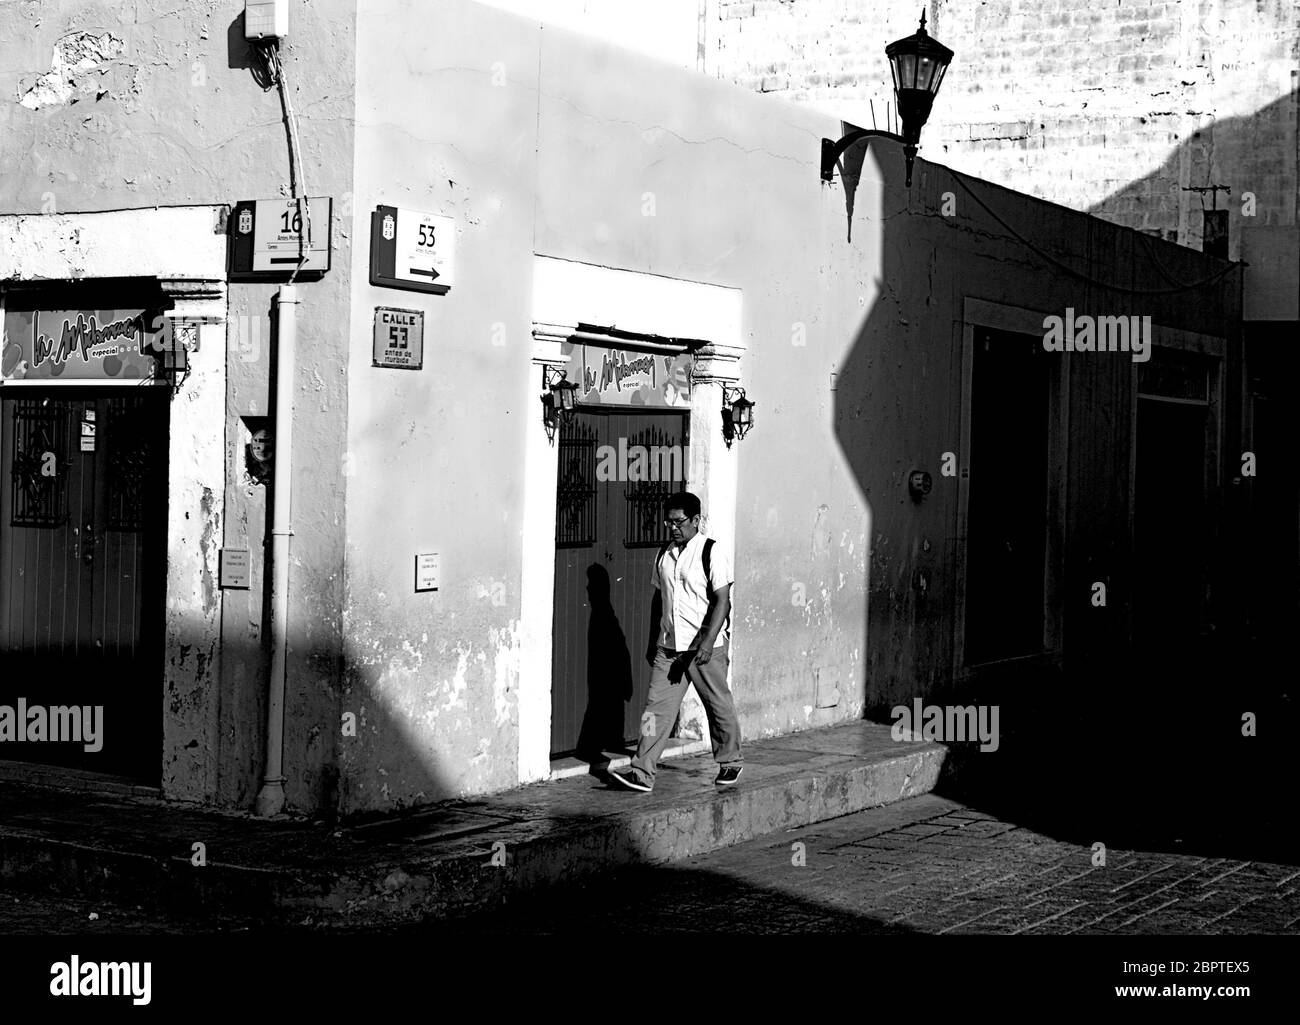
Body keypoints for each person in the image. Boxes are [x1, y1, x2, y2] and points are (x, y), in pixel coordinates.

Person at [610, 491, 743, 792]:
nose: (672, 528)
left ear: (696, 520)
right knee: (654, 711)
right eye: (668, 522)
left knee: (717, 704)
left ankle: (730, 761)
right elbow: (660, 599)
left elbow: (723, 600)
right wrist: (652, 641)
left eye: (679, 522)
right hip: (669, 648)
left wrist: (708, 643)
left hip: (703, 647)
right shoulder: (664, 554)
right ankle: (641, 772)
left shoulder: (711, 552)